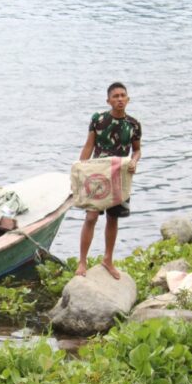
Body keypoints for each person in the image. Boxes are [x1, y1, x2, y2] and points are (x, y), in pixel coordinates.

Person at [76, 82, 142, 279]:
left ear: (128, 99)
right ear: (108, 100)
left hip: (120, 176)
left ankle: (108, 259)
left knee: (113, 218)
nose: (120, 99)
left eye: (123, 95)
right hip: (97, 175)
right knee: (91, 217)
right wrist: (81, 169)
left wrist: (135, 161)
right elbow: (88, 146)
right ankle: (82, 261)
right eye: (115, 96)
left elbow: (137, 150)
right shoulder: (99, 120)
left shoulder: (133, 124)